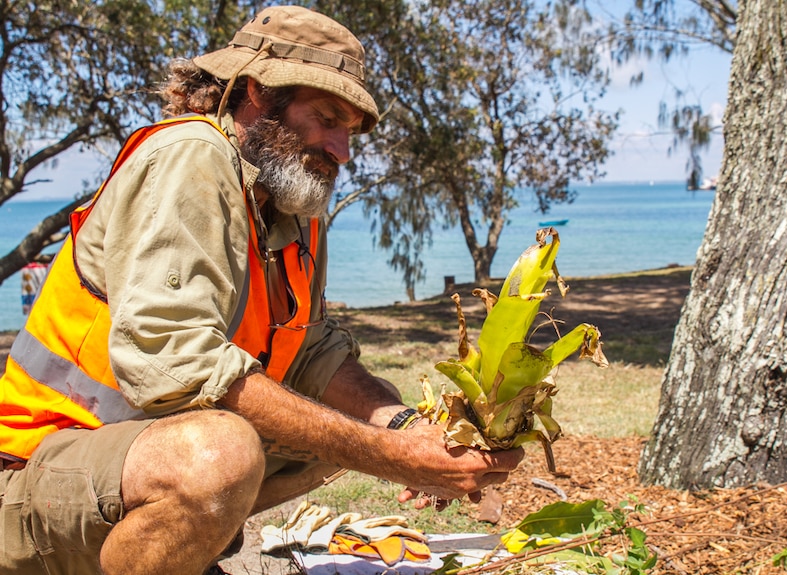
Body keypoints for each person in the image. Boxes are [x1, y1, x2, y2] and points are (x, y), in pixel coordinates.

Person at [0, 6, 523, 575]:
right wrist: (394, 458)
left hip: (127, 464)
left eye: (350, 130)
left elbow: (313, 348)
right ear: (257, 93)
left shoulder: (293, 200)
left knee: (347, 427)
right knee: (220, 455)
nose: (342, 151)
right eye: (326, 118)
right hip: (30, 473)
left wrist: (401, 427)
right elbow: (180, 360)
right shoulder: (191, 155)